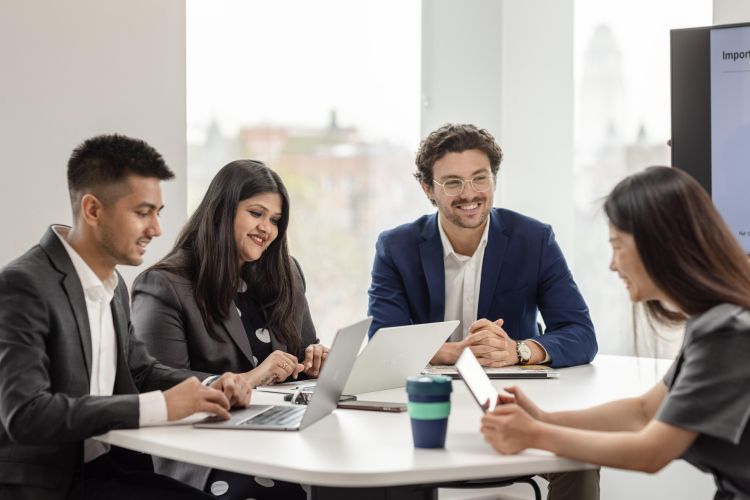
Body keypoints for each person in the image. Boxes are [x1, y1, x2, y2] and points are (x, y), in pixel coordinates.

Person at [0, 134, 252, 500]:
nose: (156, 229)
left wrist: (210, 386)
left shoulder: (113, 282)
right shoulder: (23, 284)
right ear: (92, 210)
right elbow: (26, 414)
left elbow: (139, 370)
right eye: (142, 212)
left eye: (158, 213)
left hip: (106, 470)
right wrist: (160, 406)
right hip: (47, 485)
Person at [481, 166, 750, 499]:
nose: (612, 264)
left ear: (660, 246)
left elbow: (651, 452)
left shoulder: (728, 333)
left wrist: (535, 434)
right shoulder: (713, 322)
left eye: (618, 245)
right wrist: (545, 419)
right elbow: (643, 412)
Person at [367, 123, 599, 499]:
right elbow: (383, 338)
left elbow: (581, 334)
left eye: (480, 178)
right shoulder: (397, 246)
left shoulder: (534, 239)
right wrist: (449, 351)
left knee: (582, 454)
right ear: (428, 188)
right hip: (427, 405)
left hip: (513, 398)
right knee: (385, 464)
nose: (470, 194)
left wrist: (519, 350)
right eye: (453, 183)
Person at [131, 160, 324, 500]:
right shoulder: (165, 285)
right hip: (209, 451)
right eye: (256, 213)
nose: (266, 228)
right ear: (222, 210)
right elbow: (159, 384)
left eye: (275, 220)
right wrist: (253, 376)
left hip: (283, 433)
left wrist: (317, 360)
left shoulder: (286, 272)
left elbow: (304, 353)